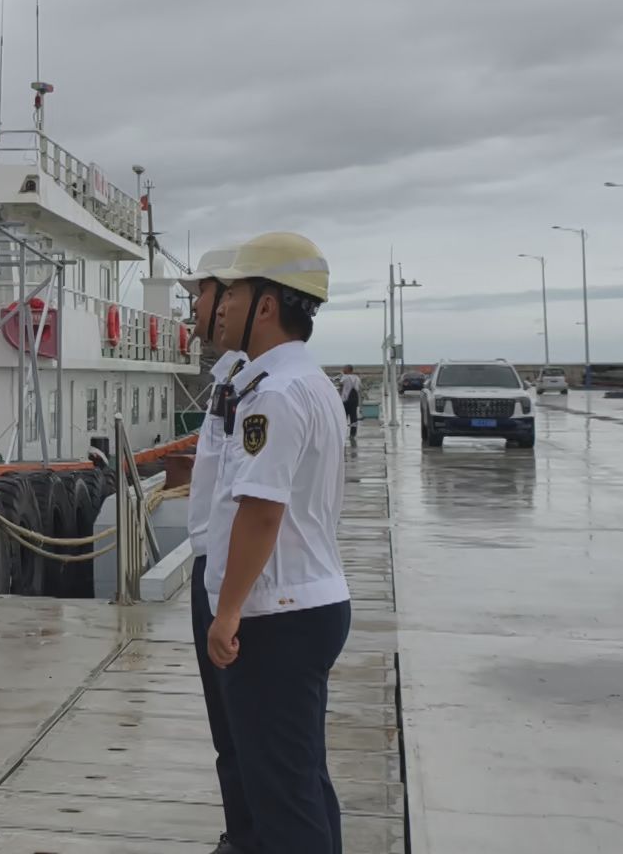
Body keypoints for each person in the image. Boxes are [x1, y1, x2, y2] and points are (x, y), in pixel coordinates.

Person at [203, 232, 351, 854]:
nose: (223, 304)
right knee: (300, 782)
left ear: (266, 305)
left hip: (277, 614)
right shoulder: (307, 383)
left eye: (232, 292)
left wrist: (228, 610)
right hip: (306, 604)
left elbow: (262, 513)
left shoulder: (275, 396)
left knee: (285, 802)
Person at [177, 247, 250, 854]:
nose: (194, 307)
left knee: (249, 730)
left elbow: (253, 498)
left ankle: (254, 835)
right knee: (227, 730)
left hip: (230, 578)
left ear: (229, 299)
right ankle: (242, 833)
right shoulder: (226, 373)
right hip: (210, 567)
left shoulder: (252, 378)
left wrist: (227, 601)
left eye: (198, 294)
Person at [336, 365, 362, 441]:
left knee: (344, 417)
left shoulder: (344, 377)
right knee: (354, 417)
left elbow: (340, 385)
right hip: (354, 399)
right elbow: (359, 387)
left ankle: (343, 432)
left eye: (344, 368)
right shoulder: (357, 378)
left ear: (348, 370)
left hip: (346, 399)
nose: (343, 369)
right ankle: (353, 434)